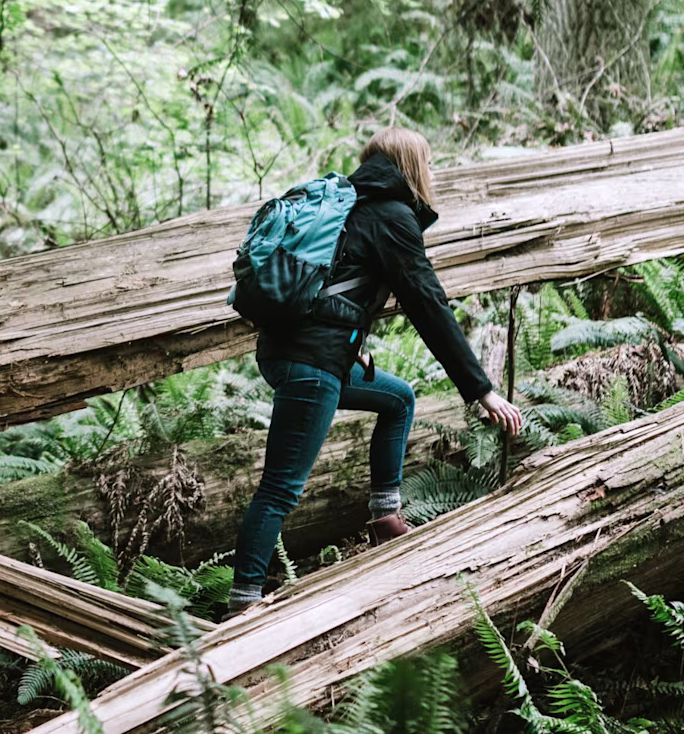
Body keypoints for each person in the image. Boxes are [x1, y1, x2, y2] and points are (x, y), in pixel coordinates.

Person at [224, 126, 524, 620]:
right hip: (311, 364)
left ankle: (384, 516)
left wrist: (351, 342)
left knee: (398, 398)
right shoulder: (390, 215)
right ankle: (242, 606)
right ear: (412, 167)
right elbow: (428, 303)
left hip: (294, 352)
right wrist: (481, 390)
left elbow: (333, 286)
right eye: (428, 164)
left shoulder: (349, 206)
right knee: (280, 488)